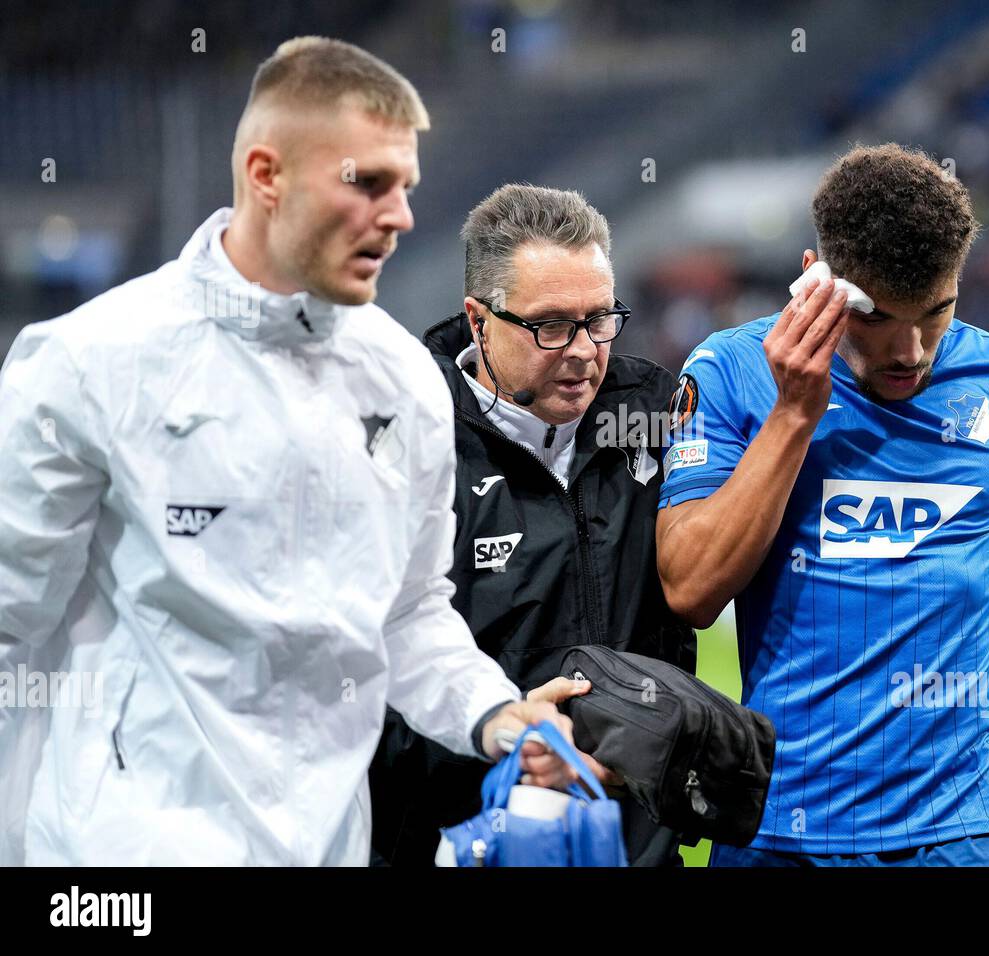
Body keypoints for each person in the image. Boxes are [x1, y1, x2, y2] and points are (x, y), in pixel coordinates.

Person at [0, 37, 573, 866]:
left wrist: (493, 712)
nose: (401, 215)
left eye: (405, 187)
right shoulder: (89, 362)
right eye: (367, 182)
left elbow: (408, 613)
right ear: (267, 175)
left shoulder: (405, 380)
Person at [656, 143, 989, 867]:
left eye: (937, 312)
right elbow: (690, 589)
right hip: (780, 828)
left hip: (965, 830)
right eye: (879, 320)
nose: (911, 350)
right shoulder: (733, 372)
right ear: (818, 281)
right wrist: (794, 415)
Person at [369, 183, 695, 866]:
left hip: (633, 849)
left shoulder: (658, 413)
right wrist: (504, 742)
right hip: (459, 842)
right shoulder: (406, 439)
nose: (582, 350)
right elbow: (372, 675)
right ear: (478, 319)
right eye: (550, 326)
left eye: (600, 319)